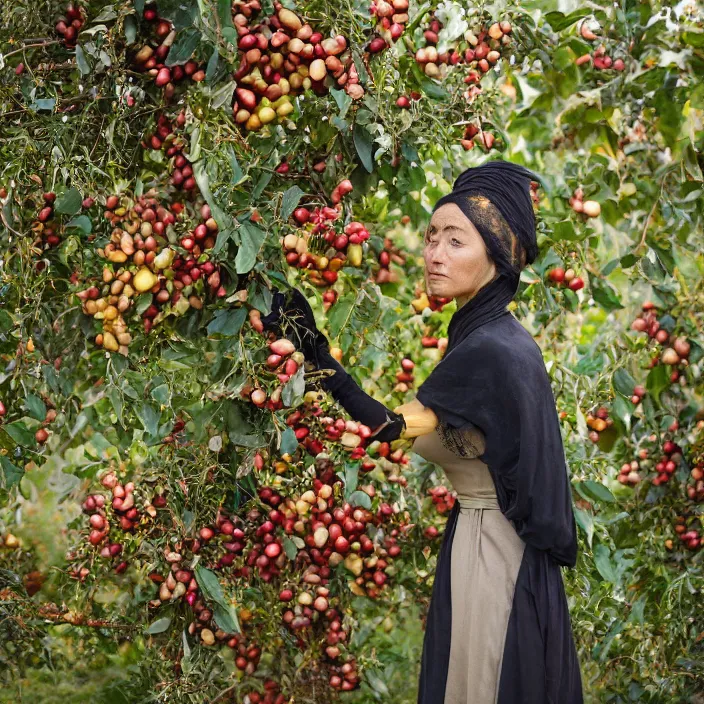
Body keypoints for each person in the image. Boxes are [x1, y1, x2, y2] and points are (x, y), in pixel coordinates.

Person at [261, 160, 584, 704]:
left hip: (496, 559)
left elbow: (388, 429)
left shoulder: (491, 350)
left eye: (456, 241)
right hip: (481, 544)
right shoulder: (485, 337)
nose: (434, 254)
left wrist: (315, 354)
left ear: (497, 253)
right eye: (432, 237)